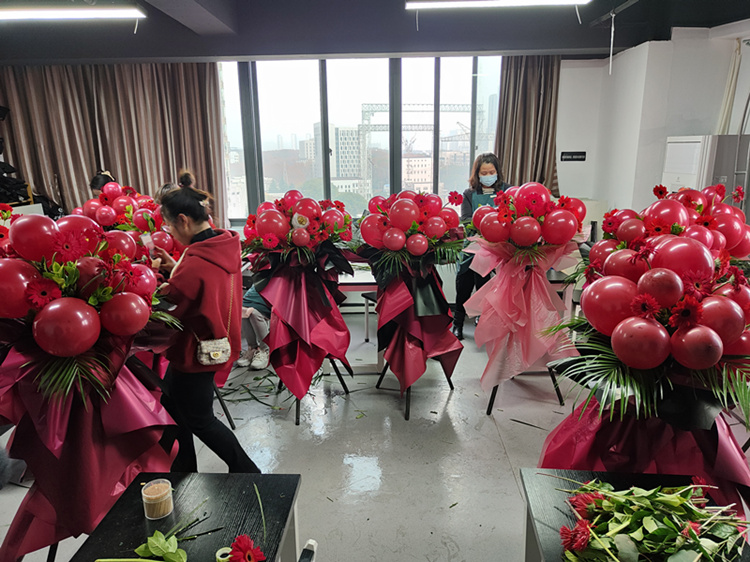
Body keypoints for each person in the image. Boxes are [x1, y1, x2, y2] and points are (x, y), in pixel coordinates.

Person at [154, 182, 261, 473]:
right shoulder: (222, 245)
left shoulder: (195, 263)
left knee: (200, 420)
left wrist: (155, 282)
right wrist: (176, 266)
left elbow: (172, 303)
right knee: (172, 406)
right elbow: (203, 286)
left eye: (169, 226)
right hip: (216, 342)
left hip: (196, 352)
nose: (171, 233)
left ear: (183, 220)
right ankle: (183, 470)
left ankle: (247, 471)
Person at [453, 152, 511, 340]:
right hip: (474, 246)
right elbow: (466, 220)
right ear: (477, 174)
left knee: (487, 287)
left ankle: (486, 322)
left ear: (497, 172)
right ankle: (458, 323)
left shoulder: (508, 191)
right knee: (464, 285)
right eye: (484, 173)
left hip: (498, 249)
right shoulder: (469, 194)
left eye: (491, 172)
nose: (488, 176)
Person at [237, 285, 271, 370]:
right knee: (243, 311)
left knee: (255, 313)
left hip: (275, 287)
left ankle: (265, 351)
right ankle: (252, 348)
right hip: (260, 283)